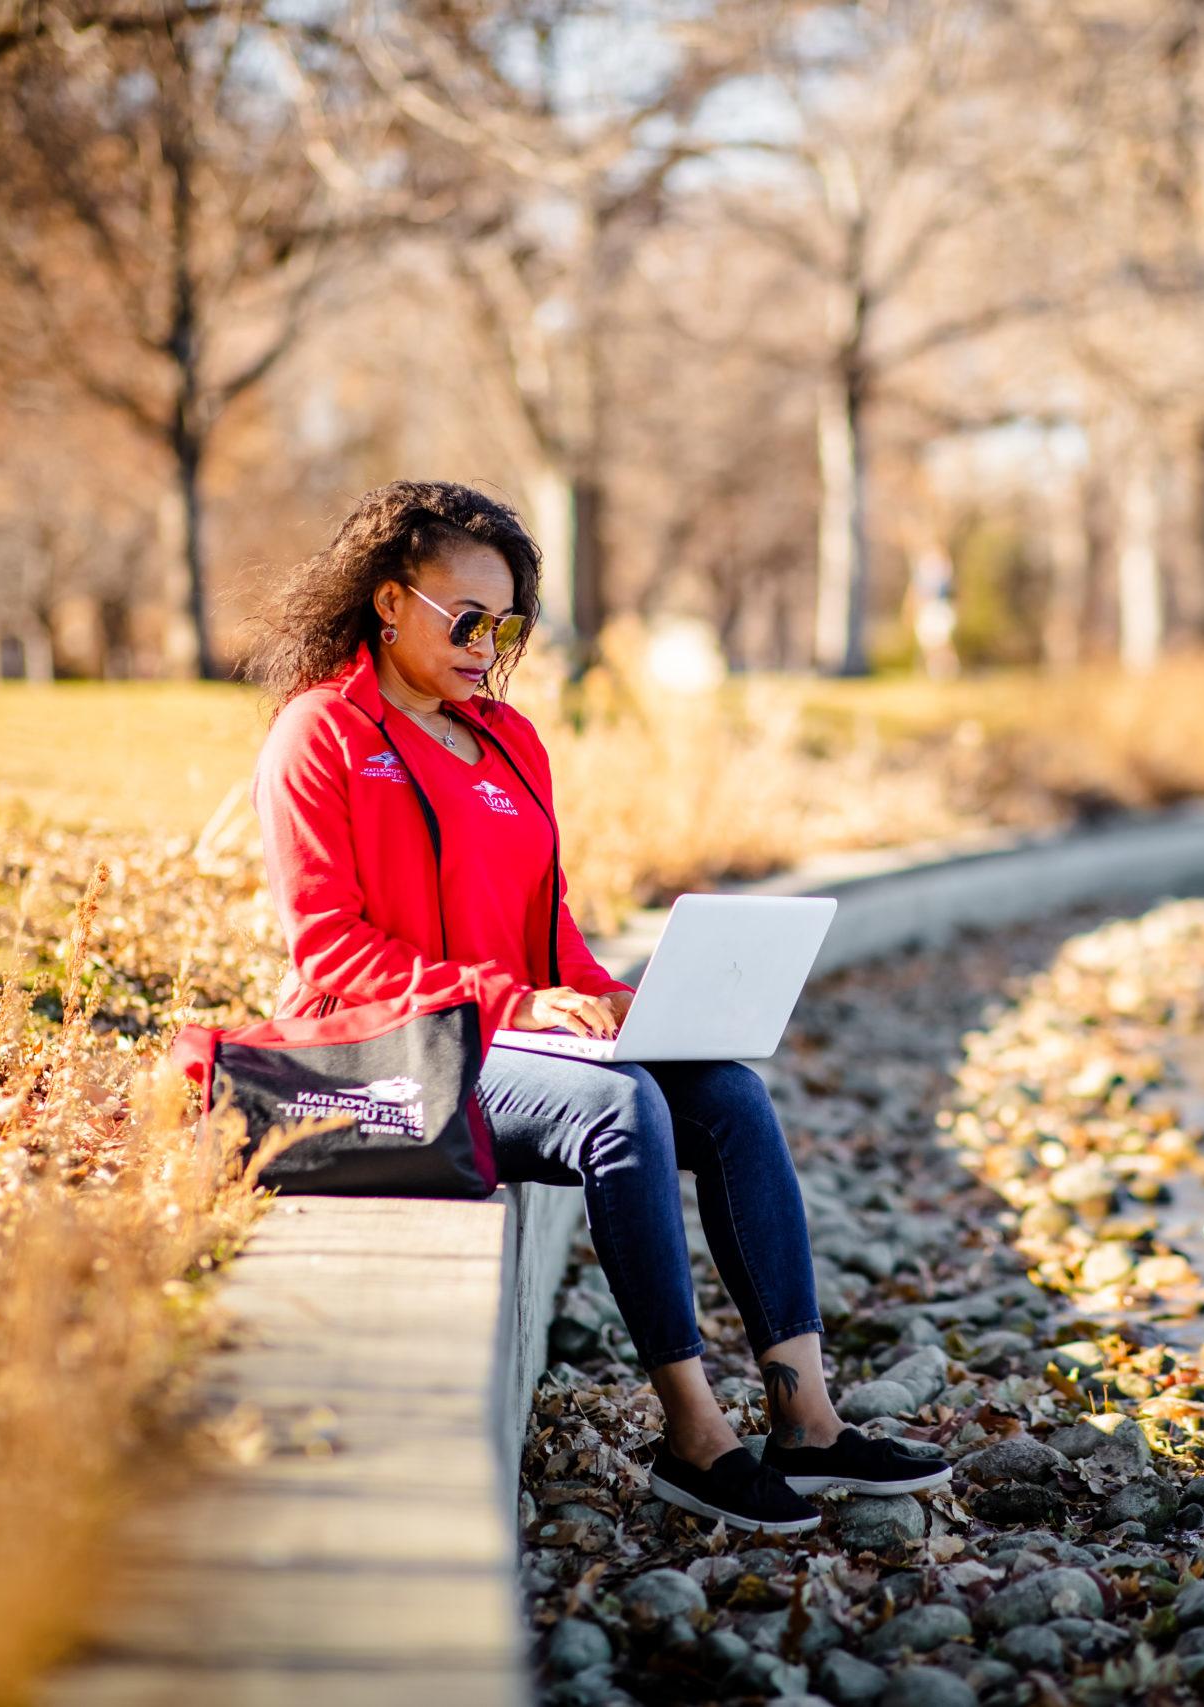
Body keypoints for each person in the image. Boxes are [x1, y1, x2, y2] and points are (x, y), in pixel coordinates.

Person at [242, 480, 947, 1534]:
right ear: (389, 602)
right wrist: (516, 1003)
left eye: (507, 623)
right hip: (387, 1051)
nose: (488, 644)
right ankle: (694, 1437)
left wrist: (622, 1004)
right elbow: (329, 949)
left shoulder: (512, 744)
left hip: (499, 1034)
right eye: (464, 619)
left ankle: (807, 1423)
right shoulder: (322, 736)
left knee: (726, 1097)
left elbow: (553, 934)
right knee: (616, 1114)